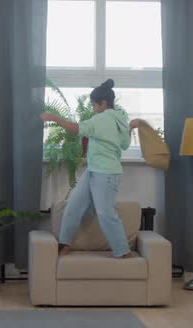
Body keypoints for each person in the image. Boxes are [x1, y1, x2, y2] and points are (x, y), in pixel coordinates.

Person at [41, 79, 139, 258]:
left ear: (103, 103)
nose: (93, 108)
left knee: (106, 213)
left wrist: (54, 118)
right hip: (93, 170)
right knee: (73, 207)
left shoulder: (102, 119)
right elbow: (124, 144)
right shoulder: (121, 119)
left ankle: (123, 251)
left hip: (106, 174)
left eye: (94, 104)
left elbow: (78, 128)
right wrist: (131, 127)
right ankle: (65, 244)